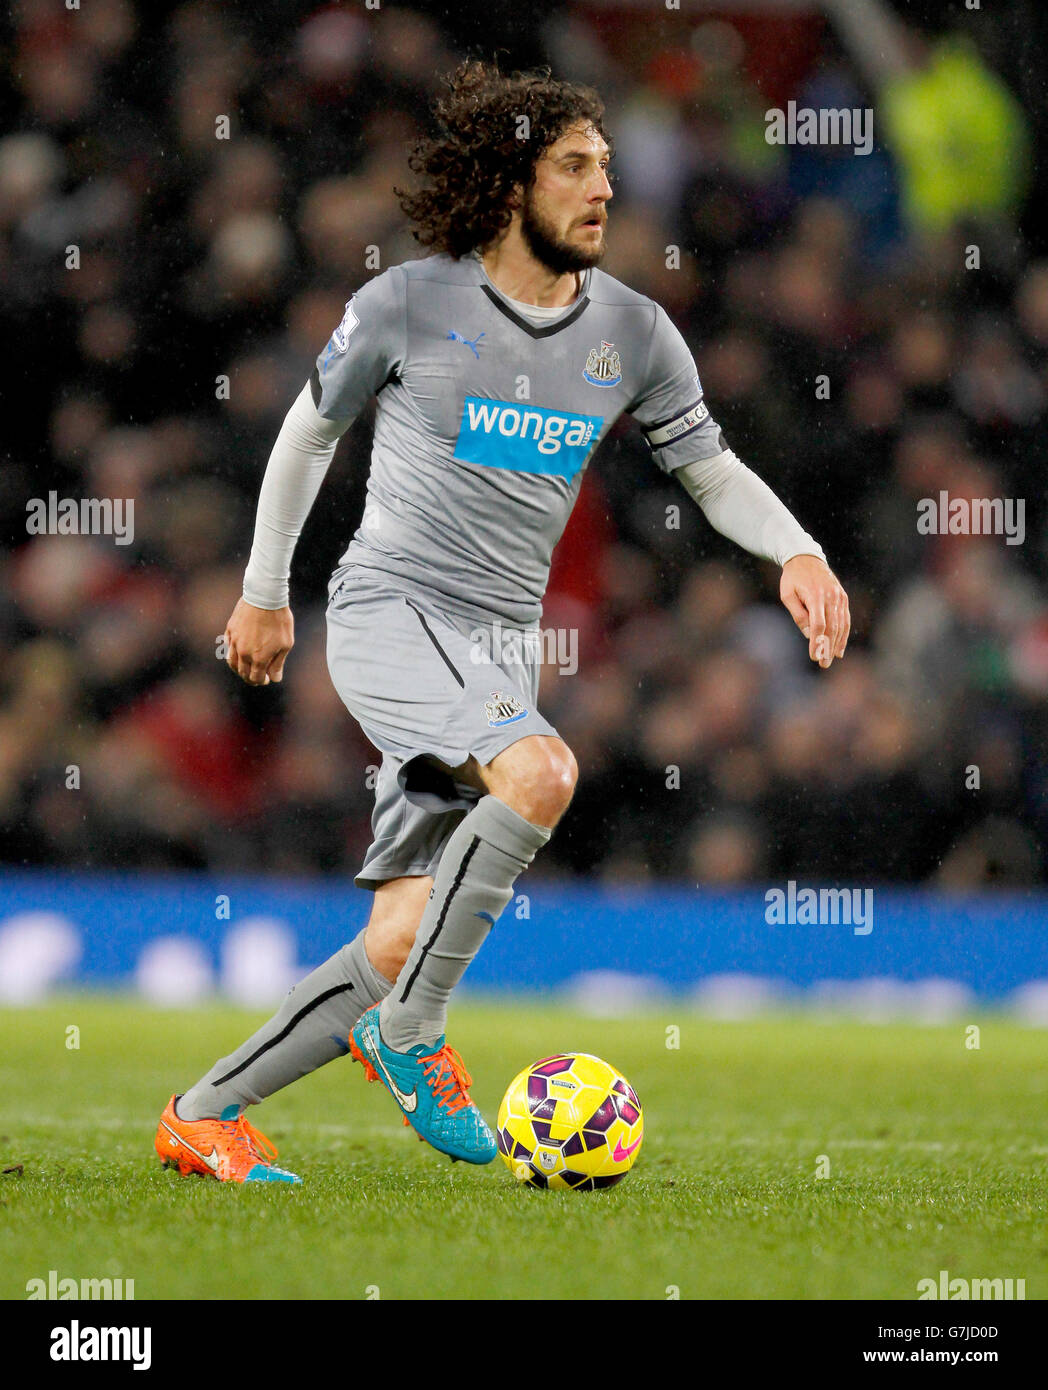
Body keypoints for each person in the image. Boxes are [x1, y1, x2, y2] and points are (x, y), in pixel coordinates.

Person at [155, 60, 849, 1183]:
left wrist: (799, 550)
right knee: (539, 773)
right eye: (573, 166)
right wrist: (265, 589)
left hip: (492, 653)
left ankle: (203, 1109)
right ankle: (414, 1033)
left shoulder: (634, 332)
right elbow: (306, 436)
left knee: (395, 936)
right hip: (390, 613)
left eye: (607, 169)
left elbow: (709, 470)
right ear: (505, 185)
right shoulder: (409, 303)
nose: (602, 189)